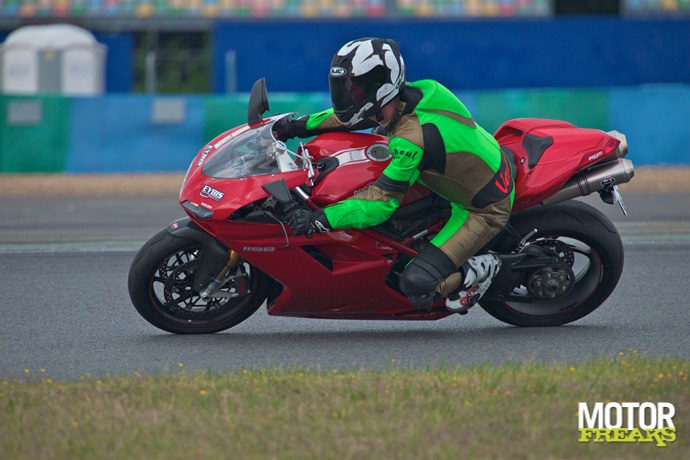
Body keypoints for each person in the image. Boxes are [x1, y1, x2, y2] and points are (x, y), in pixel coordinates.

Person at [273, 37, 514, 312]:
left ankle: (485, 267)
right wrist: (295, 127)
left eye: (357, 90)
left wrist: (318, 220)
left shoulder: (411, 139)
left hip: (480, 208)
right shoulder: (420, 92)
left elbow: (380, 203)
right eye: (347, 89)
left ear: (382, 88)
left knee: (416, 283)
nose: (350, 96)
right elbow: (353, 115)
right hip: (469, 169)